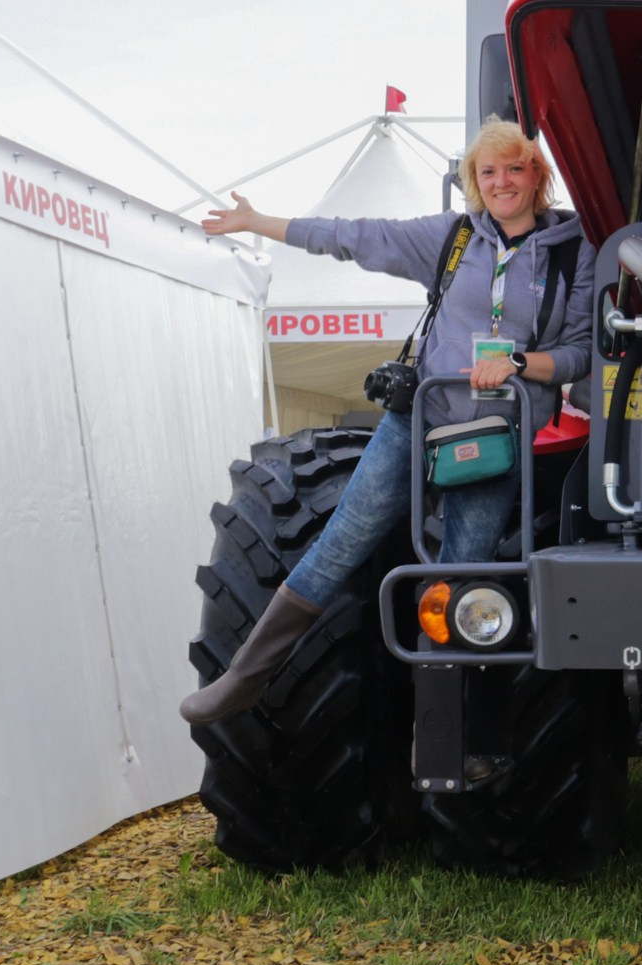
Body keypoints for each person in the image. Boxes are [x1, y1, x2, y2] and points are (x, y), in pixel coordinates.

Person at [179, 120, 596, 727]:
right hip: (420, 419)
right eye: (488, 172)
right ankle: (243, 678)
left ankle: (446, 726)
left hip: (496, 438)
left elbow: (580, 352)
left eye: (515, 168)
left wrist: (518, 363)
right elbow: (353, 236)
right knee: (343, 539)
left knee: (459, 576)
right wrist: (261, 223)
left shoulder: (571, 254)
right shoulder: (453, 238)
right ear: (474, 183)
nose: (502, 181)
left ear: (537, 175)